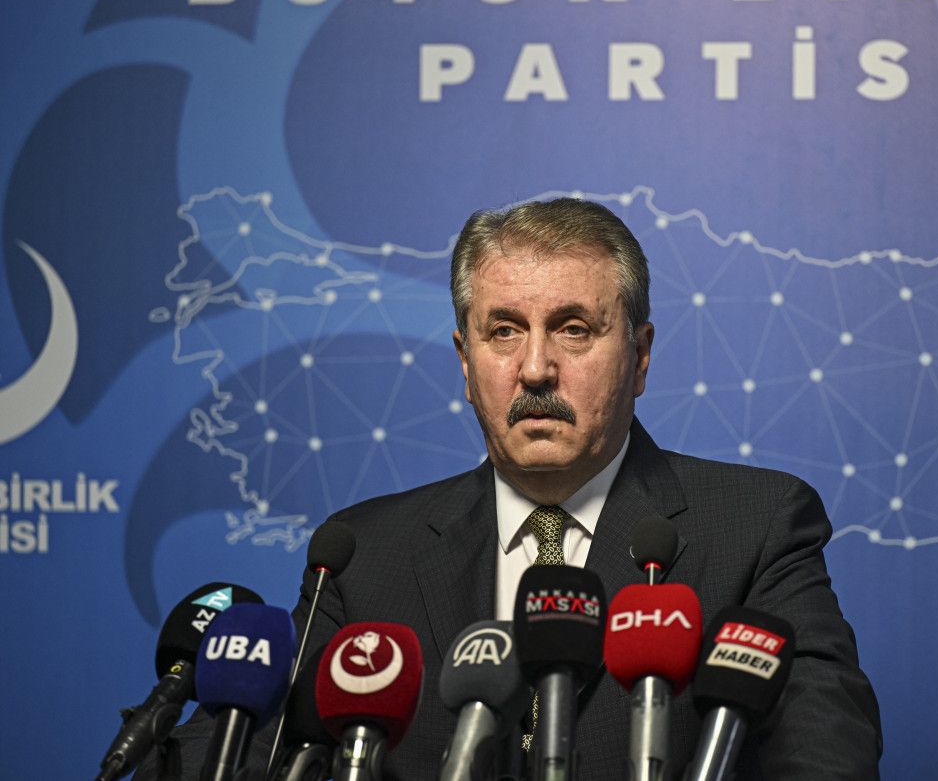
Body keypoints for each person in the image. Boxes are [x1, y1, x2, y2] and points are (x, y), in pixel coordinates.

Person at [141, 197, 882, 779]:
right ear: (466, 363)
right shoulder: (363, 557)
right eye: (503, 331)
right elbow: (240, 749)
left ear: (640, 356)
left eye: (573, 328)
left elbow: (827, 753)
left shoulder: (755, 527)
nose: (534, 369)